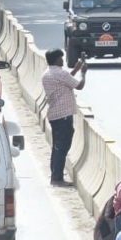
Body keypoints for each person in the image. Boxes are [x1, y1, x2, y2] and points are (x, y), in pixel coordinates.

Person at [42, 48, 86, 186]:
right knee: (62, 147)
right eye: (61, 58)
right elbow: (79, 85)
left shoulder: (48, 73)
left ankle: (55, 174)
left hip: (54, 115)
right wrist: (83, 74)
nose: (62, 60)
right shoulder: (60, 73)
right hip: (64, 116)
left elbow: (65, 81)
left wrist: (76, 70)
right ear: (56, 60)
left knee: (56, 146)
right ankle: (57, 178)